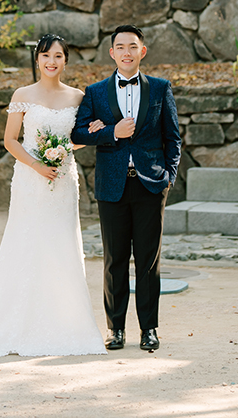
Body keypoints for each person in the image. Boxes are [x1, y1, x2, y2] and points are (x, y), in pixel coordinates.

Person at [0, 34, 107, 357]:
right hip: (30, 181)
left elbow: (77, 137)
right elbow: (10, 140)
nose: (52, 61)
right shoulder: (22, 94)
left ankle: (65, 323)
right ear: (37, 60)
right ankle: (15, 323)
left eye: (58, 56)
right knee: (27, 242)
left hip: (62, 179)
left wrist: (70, 145)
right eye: (46, 55)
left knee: (61, 245)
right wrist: (37, 164)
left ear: (66, 61)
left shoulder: (78, 97)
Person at [71, 25, 181, 353]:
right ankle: (115, 329)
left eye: (133, 46)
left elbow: (173, 137)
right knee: (115, 260)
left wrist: (169, 177)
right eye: (120, 47)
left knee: (148, 261)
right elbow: (78, 133)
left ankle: (149, 329)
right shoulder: (95, 91)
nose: (127, 52)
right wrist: (111, 131)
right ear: (112, 53)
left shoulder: (161, 89)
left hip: (151, 185)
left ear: (142, 51)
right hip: (113, 186)